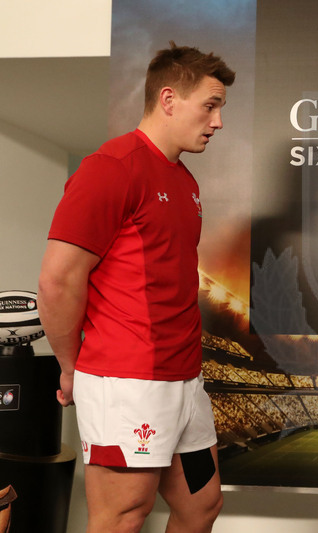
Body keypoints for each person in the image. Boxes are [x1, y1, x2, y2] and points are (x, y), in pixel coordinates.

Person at [37, 42, 235, 533]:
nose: (218, 121)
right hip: (128, 383)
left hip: (185, 382)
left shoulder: (184, 180)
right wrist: (69, 367)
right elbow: (58, 281)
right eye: (210, 106)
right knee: (123, 515)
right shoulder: (111, 167)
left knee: (201, 505)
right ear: (168, 100)